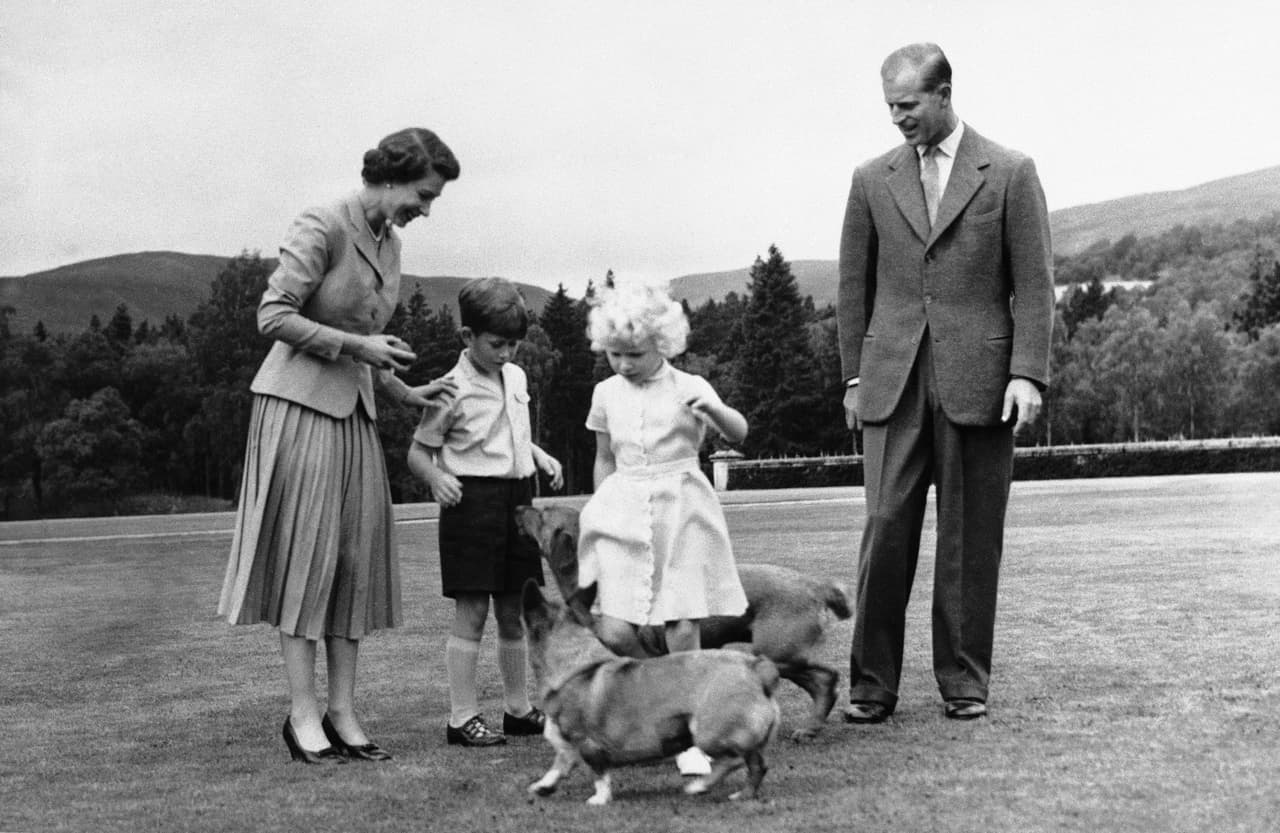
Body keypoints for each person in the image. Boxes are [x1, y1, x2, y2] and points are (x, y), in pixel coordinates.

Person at [218, 127, 461, 763]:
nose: (425, 209)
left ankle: (343, 712)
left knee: (354, 563)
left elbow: (365, 345)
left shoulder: (391, 243)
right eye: (423, 195)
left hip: (355, 414)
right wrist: (358, 347)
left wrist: (405, 392)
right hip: (298, 408)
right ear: (390, 177)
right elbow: (273, 315)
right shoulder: (323, 222)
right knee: (309, 560)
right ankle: (302, 715)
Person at [836, 44, 1054, 723]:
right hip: (891, 382)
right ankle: (871, 685)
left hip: (982, 382)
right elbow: (852, 287)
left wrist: (1027, 374)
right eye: (889, 106)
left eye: (907, 105)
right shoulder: (870, 179)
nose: (896, 118)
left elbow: (1035, 285)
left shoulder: (1011, 172)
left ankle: (964, 681)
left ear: (944, 94)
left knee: (970, 538)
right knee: (884, 527)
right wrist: (853, 376)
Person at [577, 280, 750, 775]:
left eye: (634, 354)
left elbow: (740, 432)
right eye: (614, 354)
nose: (623, 364)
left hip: (682, 508)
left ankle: (690, 733)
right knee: (614, 627)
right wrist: (602, 506)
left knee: (681, 621)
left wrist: (714, 410)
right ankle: (658, 690)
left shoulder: (690, 385)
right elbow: (604, 456)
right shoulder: (605, 393)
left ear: (663, 343)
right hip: (625, 508)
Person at [407, 277, 564, 747]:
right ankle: (462, 718)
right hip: (470, 505)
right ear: (467, 336)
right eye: (497, 344)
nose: (506, 353)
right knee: (473, 612)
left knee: (515, 611)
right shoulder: (449, 389)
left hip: (518, 501)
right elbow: (417, 453)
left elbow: (508, 433)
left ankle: (518, 710)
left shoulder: (515, 377)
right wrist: (436, 478)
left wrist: (538, 454)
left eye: (514, 344)